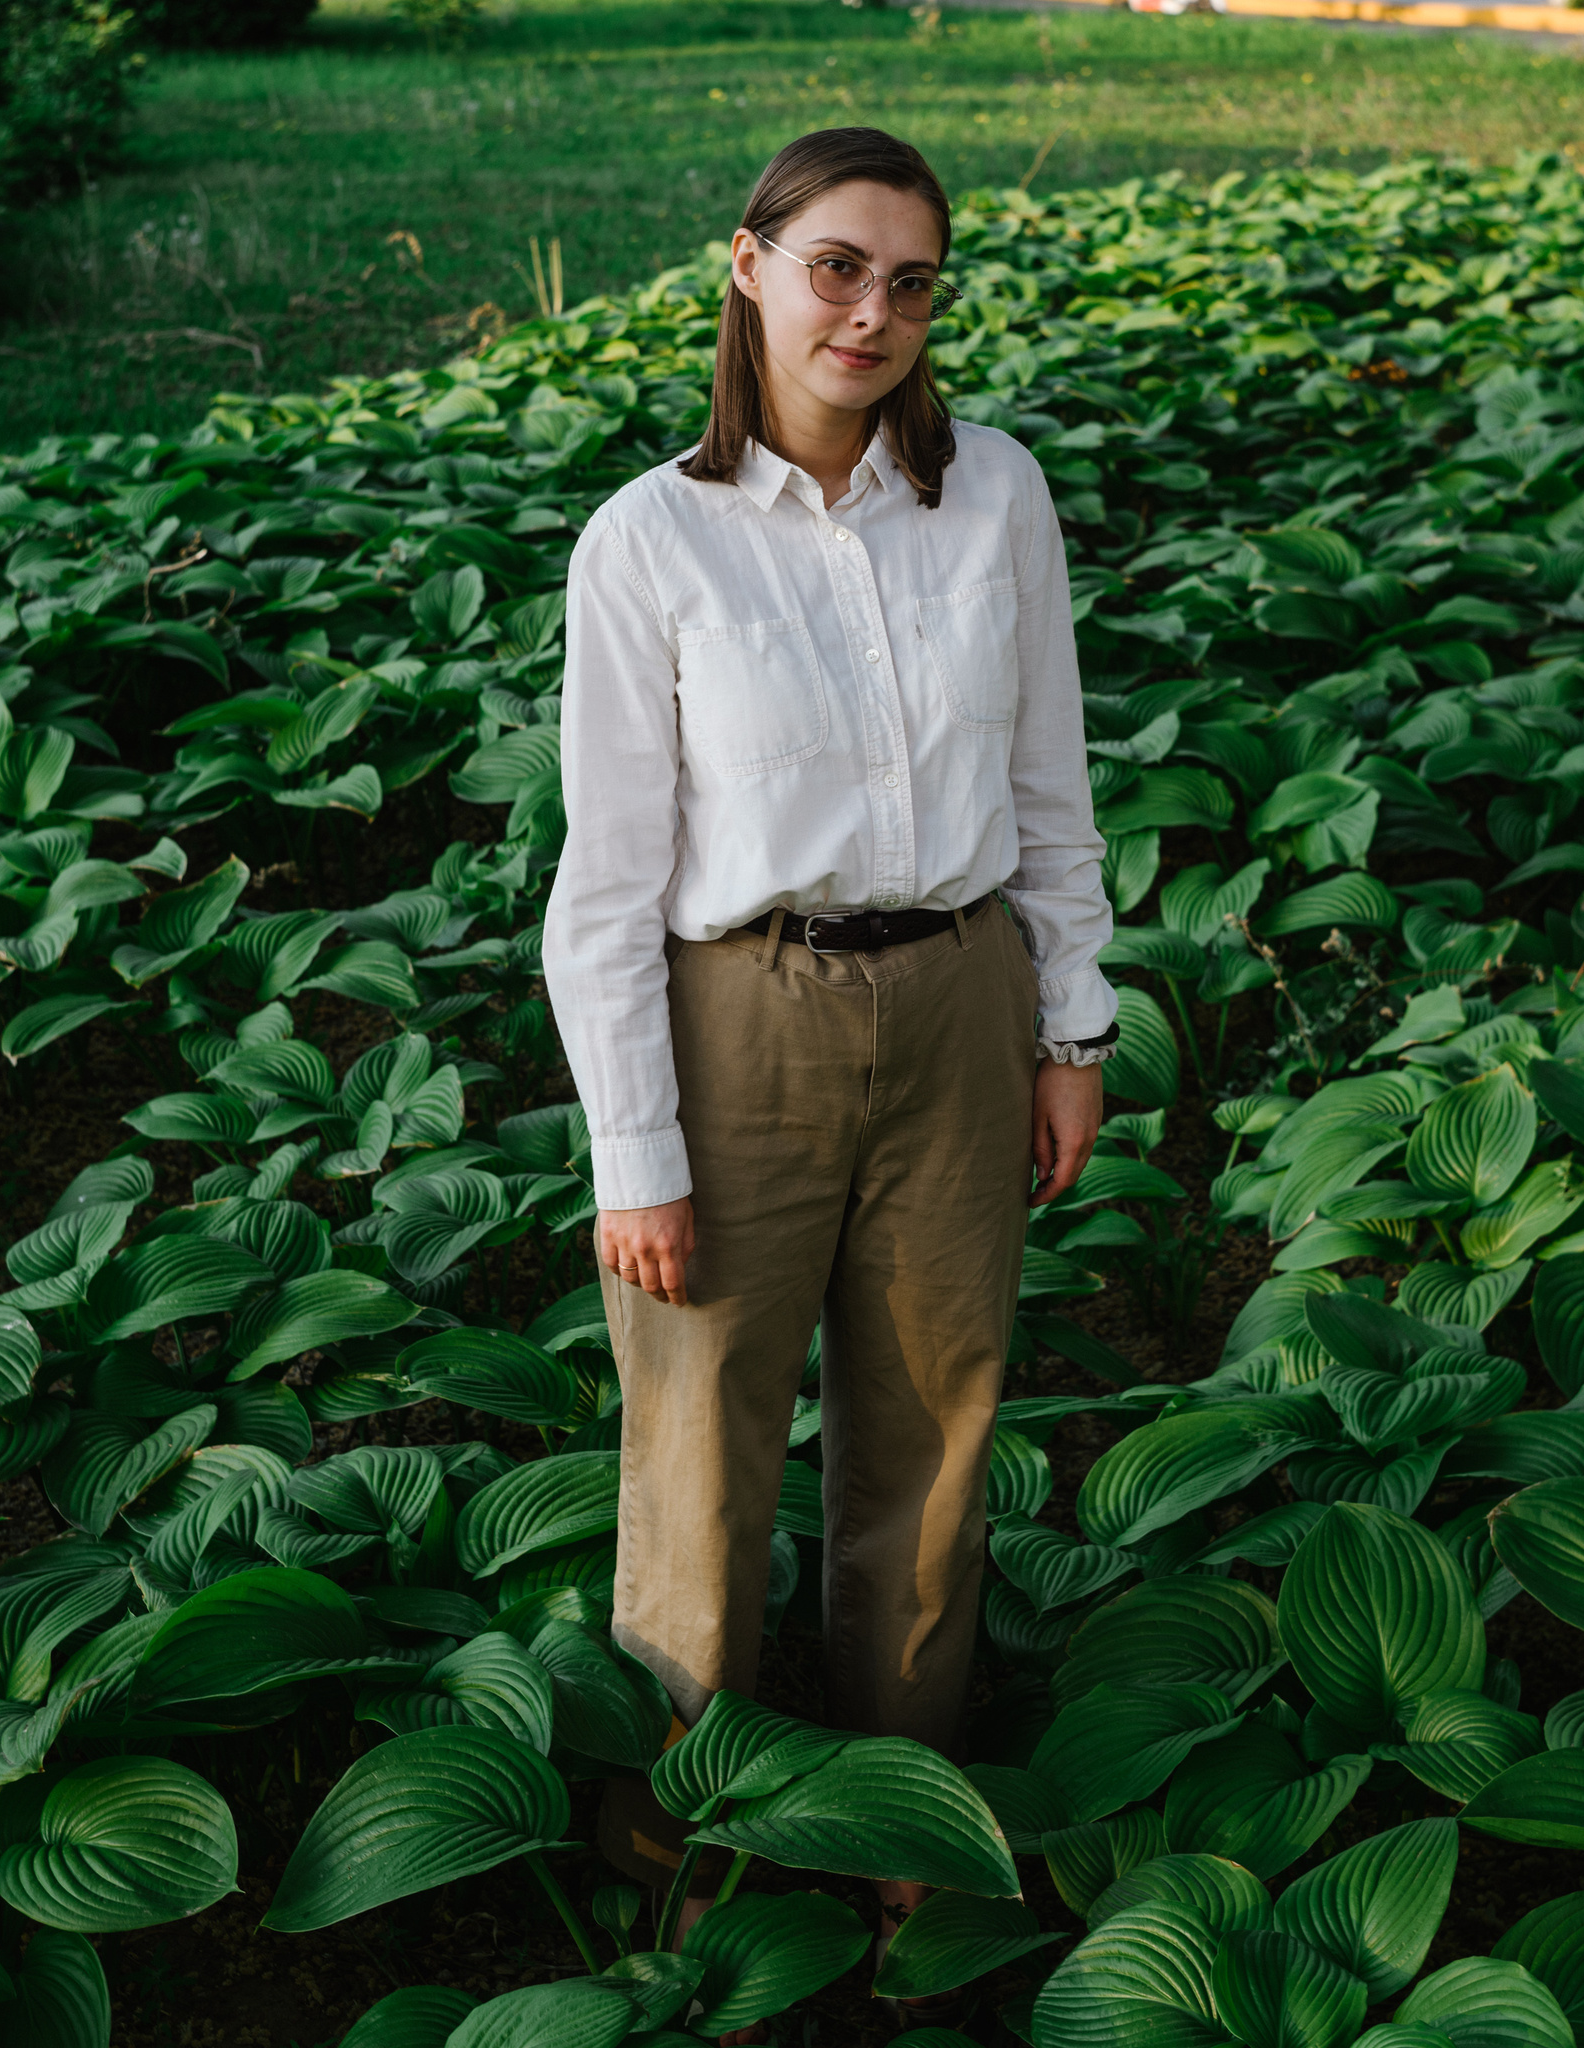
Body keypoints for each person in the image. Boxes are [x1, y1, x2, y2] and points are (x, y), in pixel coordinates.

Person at [540, 125, 1120, 2002]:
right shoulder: (653, 540)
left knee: (933, 1433)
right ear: (751, 267)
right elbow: (606, 878)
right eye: (838, 266)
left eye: (913, 279)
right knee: (701, 1442)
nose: (873, 311)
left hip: (959, 1003)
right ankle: (692, 1850)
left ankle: (900, 1823)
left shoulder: (996, 496)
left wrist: (1072, 1025)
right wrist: (636, 1144)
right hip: (740, 1024)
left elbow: (1052, 790)